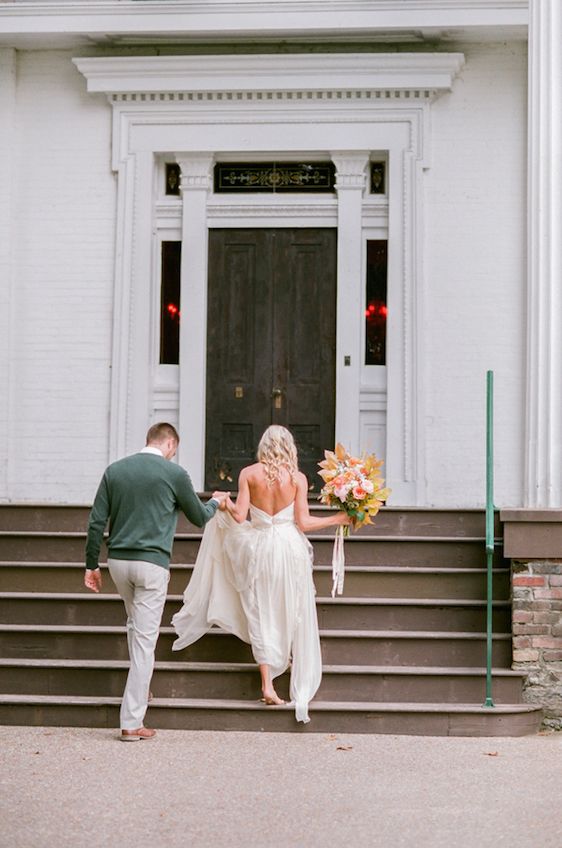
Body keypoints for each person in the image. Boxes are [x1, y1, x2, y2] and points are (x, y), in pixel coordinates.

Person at [171, 425, 350, 723]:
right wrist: (338, 518)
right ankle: (288, 658)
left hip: (259, 549)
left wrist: (225, 503)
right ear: (288, 446)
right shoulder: (297, 478)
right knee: (290, 606)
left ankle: (267, 683)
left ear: (263, 446)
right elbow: (303, 523)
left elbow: (240, 516)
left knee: (262, 610)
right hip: (290, 549)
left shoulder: (249, 474)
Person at [84, 422, 226, 741]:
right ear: (170, 444)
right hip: (152, 564)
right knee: (146, 639)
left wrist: (91, 565)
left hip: (118, 563)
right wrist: (216, 501)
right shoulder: (174, 475)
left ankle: (142, 686)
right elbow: (199, 517)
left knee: (135, 624)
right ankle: (132, 722)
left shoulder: (115, 471)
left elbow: (96, 523)